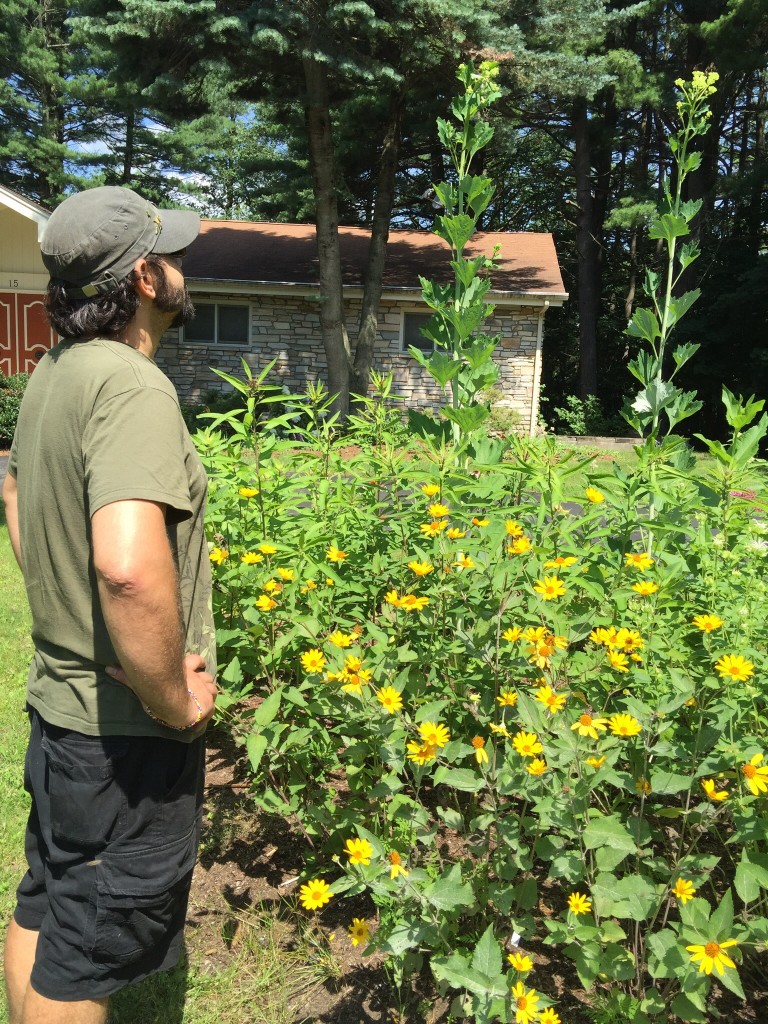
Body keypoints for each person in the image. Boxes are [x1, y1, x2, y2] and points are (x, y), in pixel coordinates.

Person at [2, 185, 218, 1024]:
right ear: (146, 279)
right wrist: (172, 700)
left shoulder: (53, 375)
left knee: (48, 901)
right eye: (171, 254)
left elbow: (17, 500)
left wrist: (62, 605)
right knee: (85, 958)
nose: (180, 268)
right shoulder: (132, 388)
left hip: (59, 714)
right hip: (120, 738)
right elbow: (128, 569)